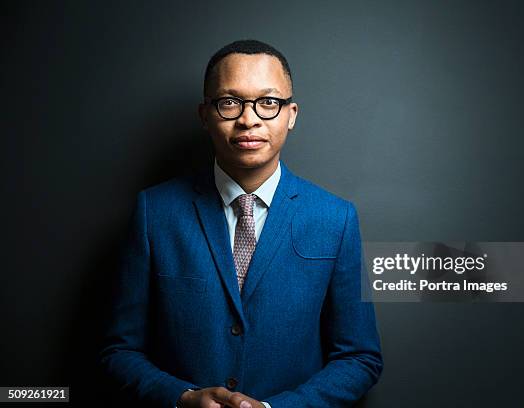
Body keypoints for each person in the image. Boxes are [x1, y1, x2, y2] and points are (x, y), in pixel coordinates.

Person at [99, 39, 383, 408]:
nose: (249, 119)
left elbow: (360, 357)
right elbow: (119, 350)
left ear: (291, 114)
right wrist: (182, 397)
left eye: (268, 102)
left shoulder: (336, 218)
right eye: (230, 102)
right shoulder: (155, 211)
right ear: (205, 115)